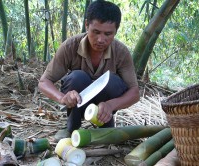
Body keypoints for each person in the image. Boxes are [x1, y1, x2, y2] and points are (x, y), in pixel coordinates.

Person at [38, 0, 140, 142]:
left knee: (113, 81)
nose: (101, 39)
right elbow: (44, 82)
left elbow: (134, 93)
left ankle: (106, 126)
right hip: (77, 103)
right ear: (87, 25)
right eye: (96, 32)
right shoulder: (70, 46)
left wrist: (111, 105)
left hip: (105, 106)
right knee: (76, 77)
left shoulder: (121, 52)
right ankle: (72, 127)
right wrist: (62, 97)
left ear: (116, 30)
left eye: (108, 34)